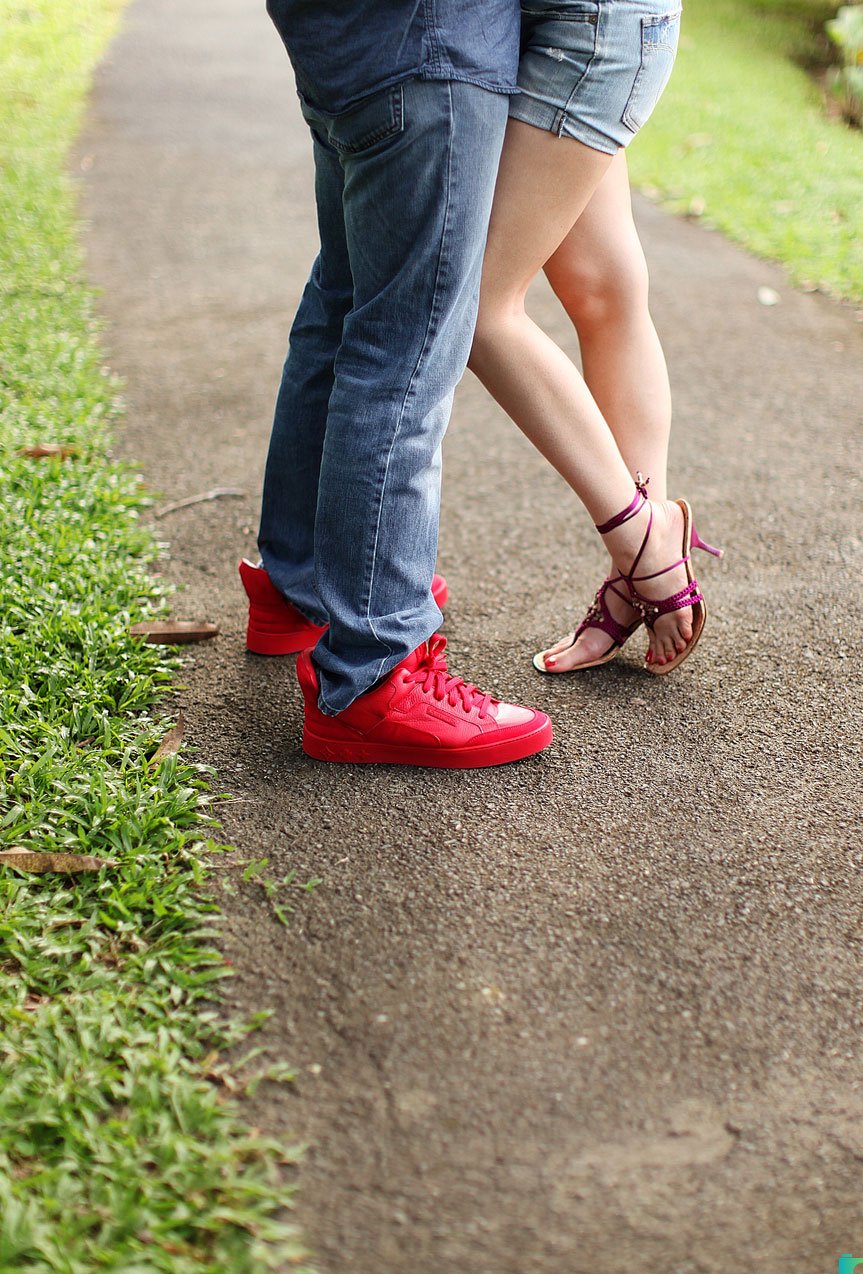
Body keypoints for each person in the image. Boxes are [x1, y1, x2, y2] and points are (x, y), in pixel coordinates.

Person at [241, 0, 553, 768]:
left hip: (343, 39)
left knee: (343, 302)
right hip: (430, 44)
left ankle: (302, 584)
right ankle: (374, 668)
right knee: (404, 351)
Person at [468, 0, 721, 677]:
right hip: (577, 21)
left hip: (589, 24)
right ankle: (637, 568)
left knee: (480, 309)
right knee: (603, 294)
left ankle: (642, 545)